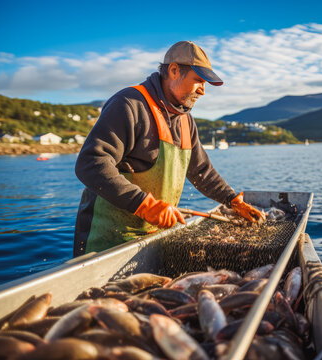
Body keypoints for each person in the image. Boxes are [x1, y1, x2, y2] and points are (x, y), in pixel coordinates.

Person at [73, 41, 265, 257]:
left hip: (153, 238)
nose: (203, 90)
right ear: (174, 70)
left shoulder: (185, 120)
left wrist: (233, 201)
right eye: (199, 80)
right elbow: (90, 163)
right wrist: (143, 204)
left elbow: (202, 172)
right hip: (105, 243)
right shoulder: (129, 104)